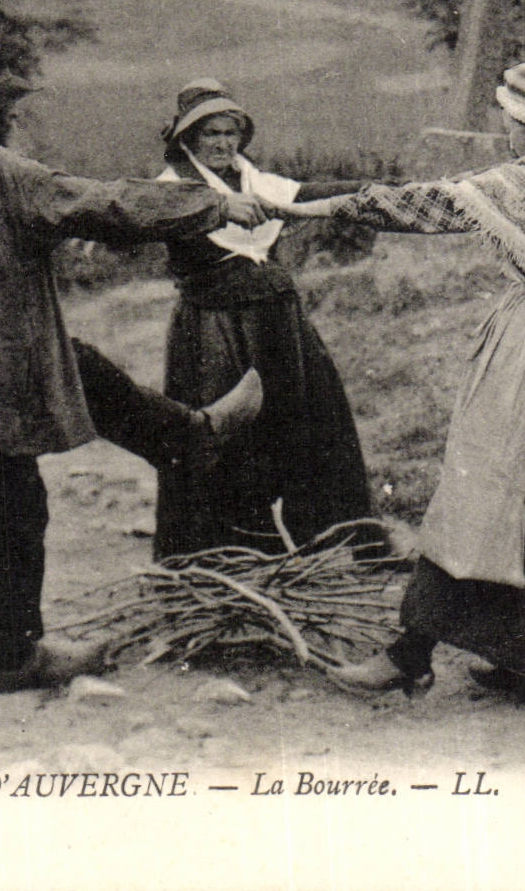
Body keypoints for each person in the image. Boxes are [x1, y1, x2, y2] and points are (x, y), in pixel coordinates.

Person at [278, 64, 525, 705]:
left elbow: (417, 206)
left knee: (485, 491)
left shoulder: (521, 179)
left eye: (508, 120)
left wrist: (308, 205)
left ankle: (411, 655)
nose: (503, 132)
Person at [0, 34, 265, 694]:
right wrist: (214, 203)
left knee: (76, 369)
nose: (12, 115)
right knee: (13, 498)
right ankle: (14, 655)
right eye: (5, 103)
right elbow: (103, 205)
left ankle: (187, 436)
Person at [150, 80, 373, 558]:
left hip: (279, 324)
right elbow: (150, 217)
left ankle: (327, 538)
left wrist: (379, 193)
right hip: (215, 329)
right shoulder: (171, 191)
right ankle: (228, 552)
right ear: (187, 139)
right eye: (211, 133)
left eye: (231, 132)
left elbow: (311, 194)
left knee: (311, 422)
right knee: (226, 433)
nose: (223, 143)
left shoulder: (256, 181)